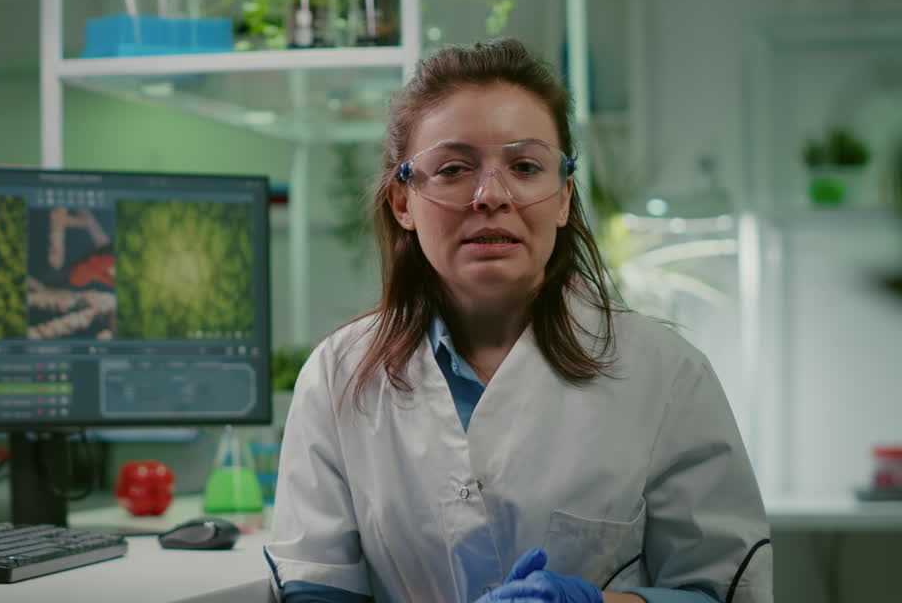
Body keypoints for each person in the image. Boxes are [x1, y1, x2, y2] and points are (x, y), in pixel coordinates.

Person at [264, 39, 771, 603]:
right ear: (403, 202)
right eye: (454, 169)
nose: (490, 196)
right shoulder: (339, 376)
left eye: (526, 166)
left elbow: (724, 590)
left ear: (562, 197)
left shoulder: (667, 375)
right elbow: (317, 585)